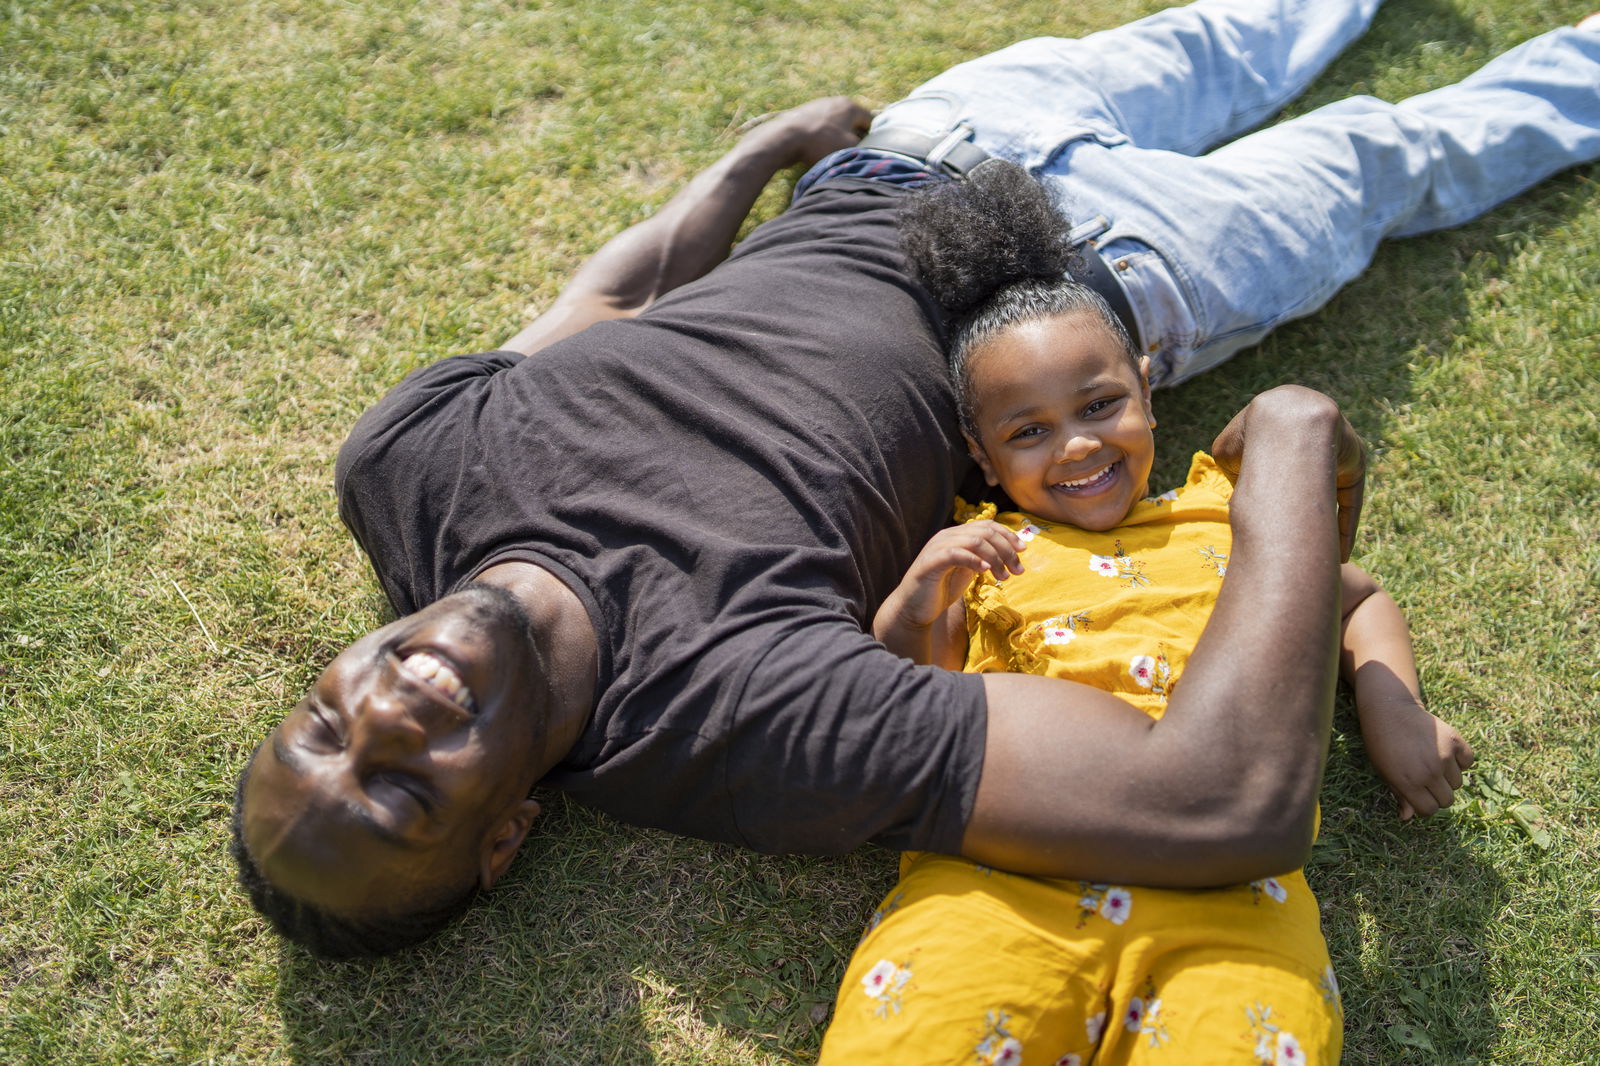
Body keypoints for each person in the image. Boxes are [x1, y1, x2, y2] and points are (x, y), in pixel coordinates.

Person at [231, 0, 1600, 958]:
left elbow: (618, 296)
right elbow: (1217, 802)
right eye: (405, 792)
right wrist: (1292, 439)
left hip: (940, 136)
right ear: (506, 835)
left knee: (1234, 29)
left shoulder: (403, 467)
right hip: (1107, 287)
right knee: (1398, 150)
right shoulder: (725, 722)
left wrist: (767, 153)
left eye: (320, 728)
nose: (387, 718)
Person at [817, 161, 1475, 1064]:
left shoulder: (1227, 511)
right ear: (979, 452)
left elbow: (1351, 596)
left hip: (1233, 896)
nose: (1078, 444)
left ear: (1147, 384)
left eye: (1099, 406)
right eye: (1029, 431)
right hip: (1000, 877)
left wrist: (1391, 702)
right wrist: (915, 596)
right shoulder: (978, 548)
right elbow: (913, 699)